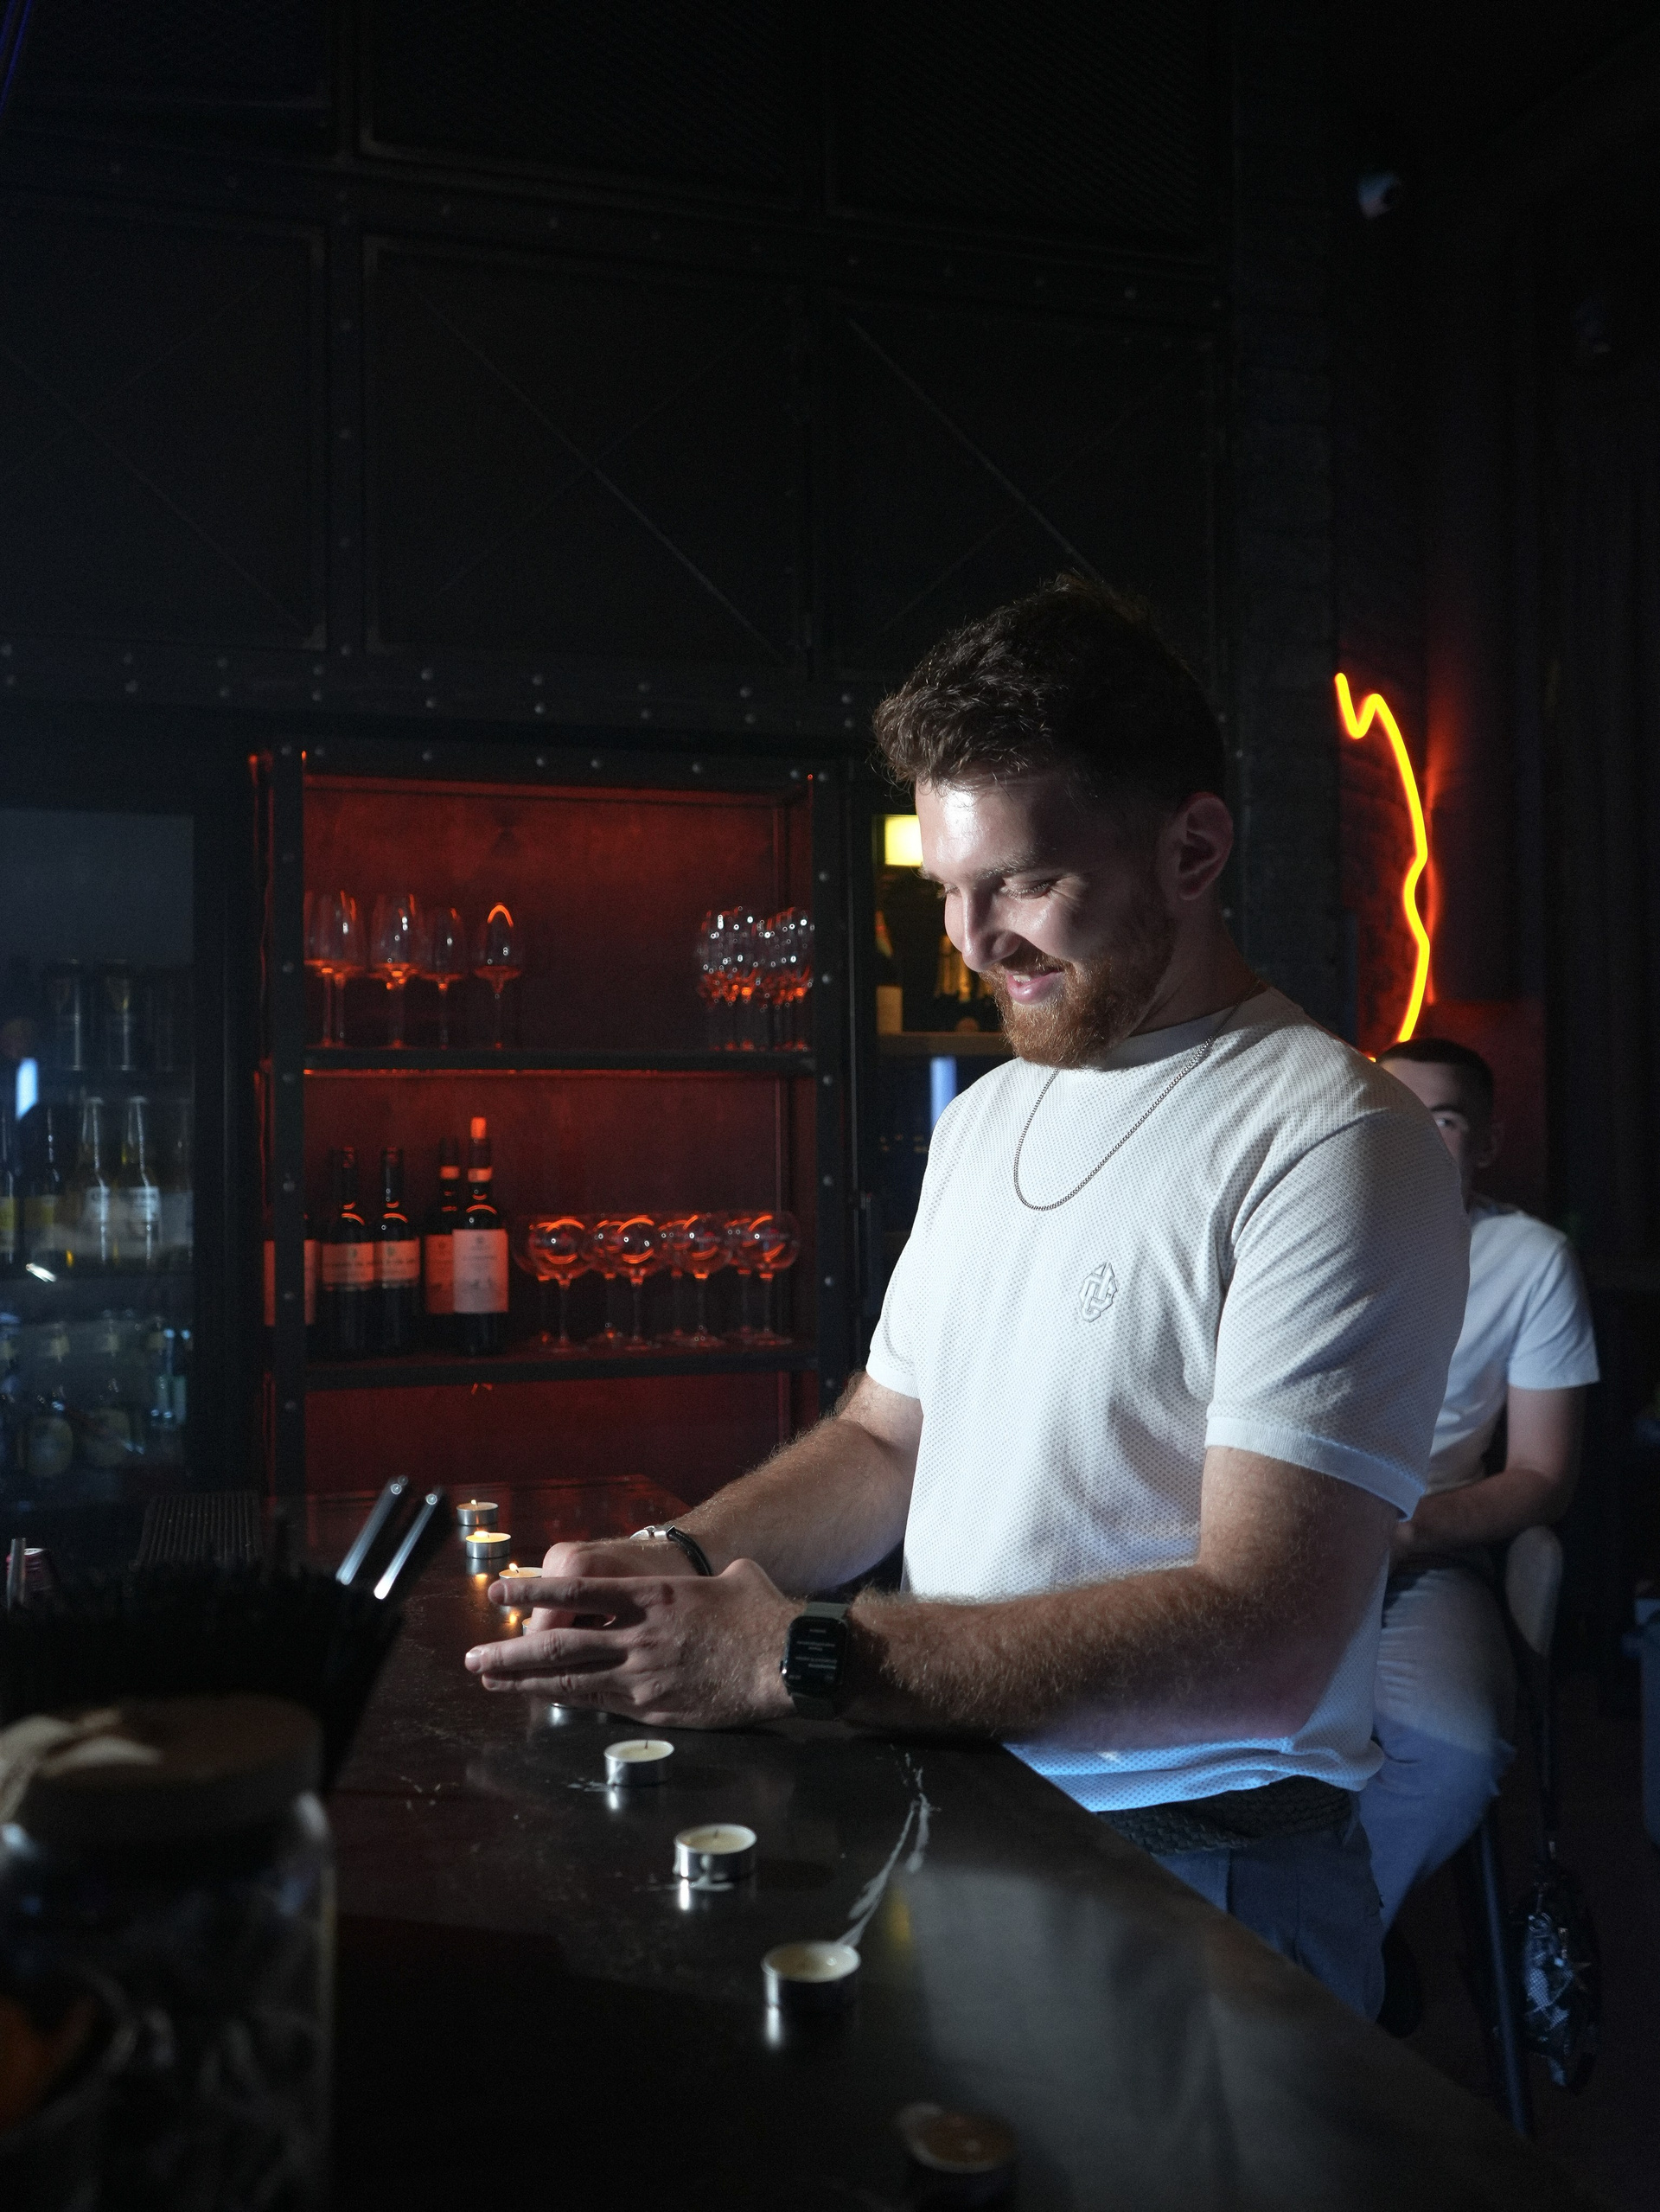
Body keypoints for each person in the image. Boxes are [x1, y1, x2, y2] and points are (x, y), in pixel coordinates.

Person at [463, 577, 1468, 2016]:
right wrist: (674, 1560)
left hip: (1202, 1861)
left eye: (1023, 882)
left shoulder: (1330, 1135)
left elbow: (1268, 1635)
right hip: (964, 1798)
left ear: (1192, 849)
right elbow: (887, 1440)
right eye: (946, 882)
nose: (970, 936)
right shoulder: (989, 1113)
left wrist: (797, 1651)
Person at [1362, 1037, 1598, 1934]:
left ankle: (1323, 1961)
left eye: (1446, 1120)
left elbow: (1543, 1475)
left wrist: (1410, 1532)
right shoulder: (1290, 1228)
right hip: (1262, 1535)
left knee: (1455, 1754)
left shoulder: (1528, 1258)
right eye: (1393, 1112)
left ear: (1488, 1142)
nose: (1414, 1137)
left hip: (1424, 1548)